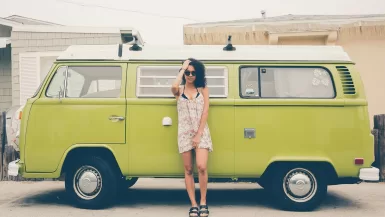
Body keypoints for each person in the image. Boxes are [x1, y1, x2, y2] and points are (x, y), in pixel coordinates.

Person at [171, 58, 213, 217]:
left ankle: (203, 201)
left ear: (198, 74)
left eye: (193, 72)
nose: (190, 75)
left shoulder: (203, 89)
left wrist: (198, 135)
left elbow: (206, 112)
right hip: (184, 133)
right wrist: (182, 68)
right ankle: (193, 204)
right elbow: (174, 86)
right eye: (187, 72)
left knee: (201, 166)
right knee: (188, 169)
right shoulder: (179, 91)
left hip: (201, 132)